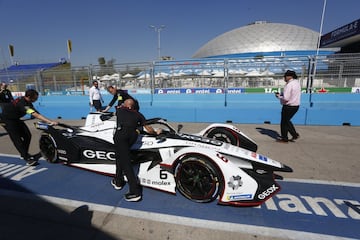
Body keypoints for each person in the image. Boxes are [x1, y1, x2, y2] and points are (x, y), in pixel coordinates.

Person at [111, 98, 162, 202]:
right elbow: (149, 128)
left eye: (125, 104)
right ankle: (118, 181)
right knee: (120, 157)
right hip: (132, 136)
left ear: (127, 106)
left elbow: (116, 109)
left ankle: (135, 192)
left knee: (125, 162)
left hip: (121, 136)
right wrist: (156, 133)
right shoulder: (139, 115)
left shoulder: (120, 110)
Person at [0, 89, 58, 165]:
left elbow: (35, 112)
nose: (36, 100)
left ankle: (23, 153)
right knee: (17, 139)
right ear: (29, 97)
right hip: (6, 120)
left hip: (15, 118)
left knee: (27, 135)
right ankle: (27, 158)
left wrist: (46, 121)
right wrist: (50, 121)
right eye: (35, 98)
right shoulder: (23, 104)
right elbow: (34, 114)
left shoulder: (27, 101)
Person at [275, 70, 301, 143]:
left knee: (284, 123)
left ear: (289, 77)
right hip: (296, 106)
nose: (284, 78)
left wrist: (279, 96)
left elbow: (286, 98)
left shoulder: (289, 85)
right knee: (287, 121)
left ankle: (284, 139)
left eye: (285, 76)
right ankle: (295, 135)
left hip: (288, 106)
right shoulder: (297, 83)